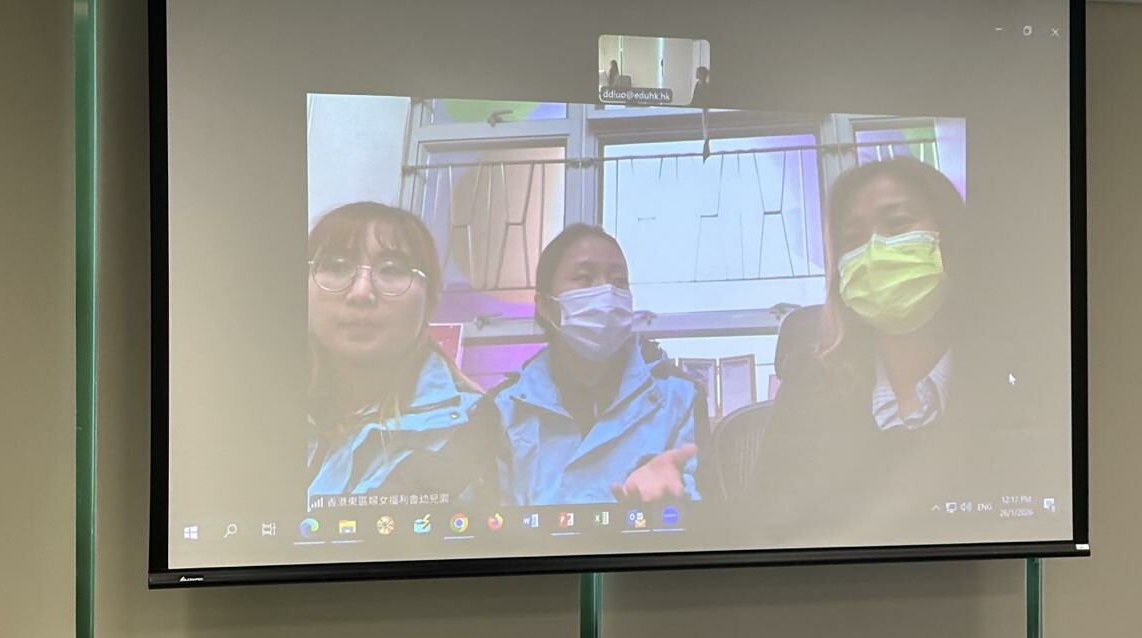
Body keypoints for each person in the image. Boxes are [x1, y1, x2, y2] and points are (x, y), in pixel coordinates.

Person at [752, 157, 969, 519]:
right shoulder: (809, 384)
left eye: (898, 224)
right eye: (853, 239)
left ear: (950, 237)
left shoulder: (1010, 379)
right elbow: (768, 523)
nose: (874, 252)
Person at [489, 224, 707, 506]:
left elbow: (707, 512)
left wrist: (670, 500)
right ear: (546, 305)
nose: (607, 293)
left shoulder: (679, 397)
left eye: (619, 281)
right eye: (584, 278)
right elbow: (489, 519)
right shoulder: (505, 408)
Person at [306, 202, 497, 503]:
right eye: (337, 266)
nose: (360, 293)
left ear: (430, 301)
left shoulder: (469, 428)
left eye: (391, 270)